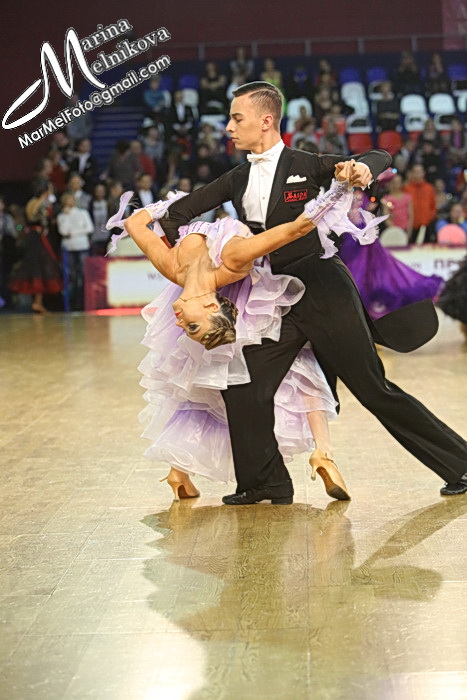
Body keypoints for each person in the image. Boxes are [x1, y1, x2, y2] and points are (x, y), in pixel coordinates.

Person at [157, 81, 467, 501]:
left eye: (237, 118)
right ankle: (265, 482)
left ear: (265, 121)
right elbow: (176, 215)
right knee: (243, 384)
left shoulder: (307, 164)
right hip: (278, 297)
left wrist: (362, 169)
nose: (228, 127)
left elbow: (379, 156)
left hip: (325, 291)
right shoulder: (236, 178)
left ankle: (461, 464)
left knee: (372, 387)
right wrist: (196, 251)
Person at [106, 172, 367, 500]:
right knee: (286, 368)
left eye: (189, 329)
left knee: (201, 378)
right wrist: (338, 191)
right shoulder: (233, 258)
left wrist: (172, 204)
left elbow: (134, 223)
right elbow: (294, 229)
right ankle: (323, 452)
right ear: (209, 305)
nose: (179, 324)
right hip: (251, 297)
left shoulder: (172, 268)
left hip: (241, 292)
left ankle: (179, 471)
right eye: (192, 326)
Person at [339, 189, 443, 319]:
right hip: (354, 236)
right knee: (363, 269)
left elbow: (359, 211)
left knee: (367, 269)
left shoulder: (354, 194)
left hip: (360, 236)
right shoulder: (351, 193)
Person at [9, 182, 62, 313]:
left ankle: (38, 301)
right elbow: (32, 216)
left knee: (39, 267)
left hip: (37, 237)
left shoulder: (34, 202)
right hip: (38, 238)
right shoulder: (38, 202)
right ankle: (37, 302)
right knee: (39, 267)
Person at [57, 193, 93, 310]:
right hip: (68, 248)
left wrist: (73, 233)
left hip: (82, 246)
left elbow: (89, 228)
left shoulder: (83, 213)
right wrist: (67, 217)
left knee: (83, 274)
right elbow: (63, 231)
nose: (70, 202)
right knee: (70, 276)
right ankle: (71, 303)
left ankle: (83, 302)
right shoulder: (62, 216)